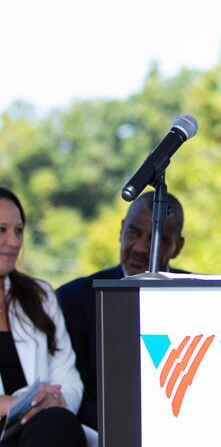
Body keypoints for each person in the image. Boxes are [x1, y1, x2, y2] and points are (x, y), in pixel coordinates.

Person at [56, 191, 185, 430]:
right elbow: (76, 392)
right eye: (133, 233)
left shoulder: (199, 297)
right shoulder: (74, 299)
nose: (141, 248)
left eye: (158, 239)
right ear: (121, 230)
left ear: (178, 246)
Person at [0, 187, 86, 447]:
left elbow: (68, 376)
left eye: (19, 230)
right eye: (2, 230)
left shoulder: (40, 295)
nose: (14, 242)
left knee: (57, 423)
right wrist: (9, 403)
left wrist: (55, 401)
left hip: (42, 430)